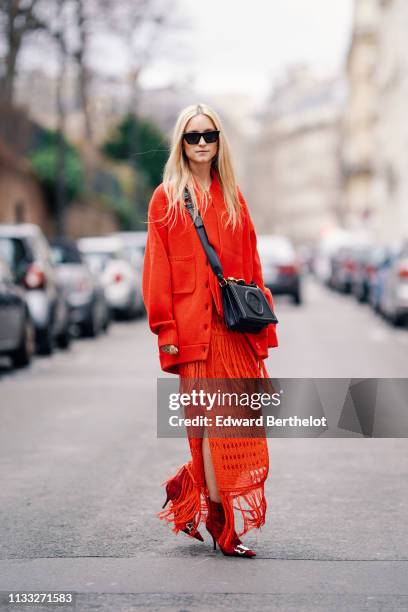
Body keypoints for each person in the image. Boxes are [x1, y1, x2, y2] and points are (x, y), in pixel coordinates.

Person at [142, 103, 278, 558]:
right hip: (194, 335)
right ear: (181, 143)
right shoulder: (166, 198)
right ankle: (224, 529)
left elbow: (252, 267)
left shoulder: (234, 196)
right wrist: (166, 331)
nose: (202, 143)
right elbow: (156, 270)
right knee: (211, 428)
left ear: (220, 140)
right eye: (192, 136)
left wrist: (261, 332)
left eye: (209, 135)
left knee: (235, 427)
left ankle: (190, 487)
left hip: (234, 332)